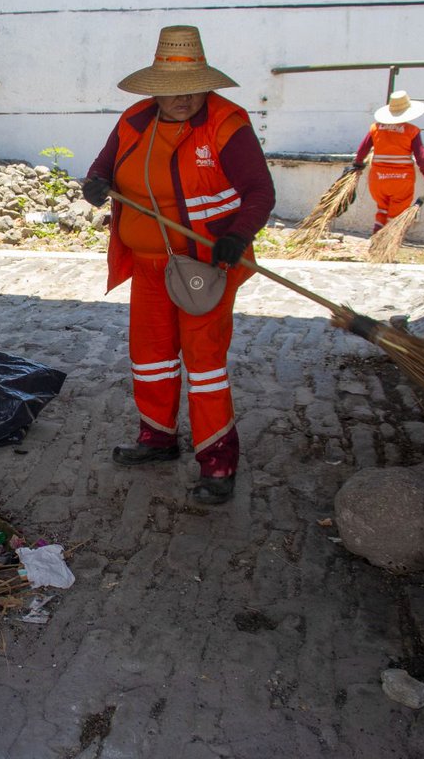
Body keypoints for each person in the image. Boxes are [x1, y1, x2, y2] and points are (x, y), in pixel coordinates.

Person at [81, 25, 275, 504]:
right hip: (148, 265)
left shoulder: (227, 125)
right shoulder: (134, 121)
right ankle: (158, 438)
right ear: (154, 90)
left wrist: (236, 237)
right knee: (151, 358)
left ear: (206, 84)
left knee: (205, 363)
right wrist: (96, 182)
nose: (183, 98)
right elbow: (104, 167)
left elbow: (260, 192)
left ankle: (218, 461)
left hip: (205, 267)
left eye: (192, 87)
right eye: (171, 90)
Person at [351, 90, 424, 234]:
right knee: (395, 215)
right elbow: (421, 157)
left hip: (378, 180)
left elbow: (362, 150)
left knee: (382, 209)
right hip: (401, 181)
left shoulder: (375, 128)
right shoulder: (412, 131)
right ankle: (386, 245)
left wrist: (357, 165)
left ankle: (376, 241)